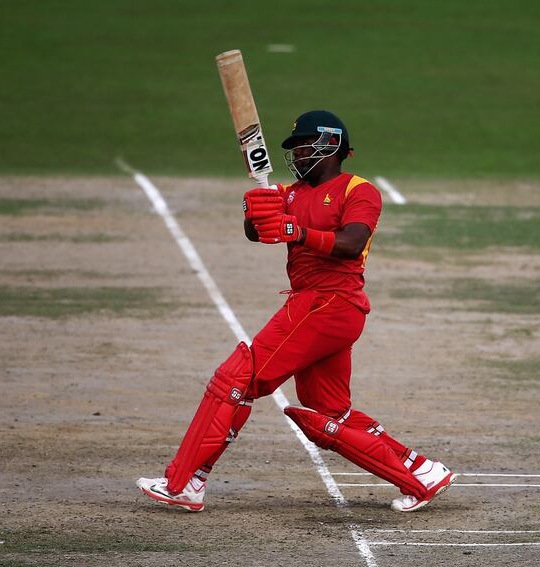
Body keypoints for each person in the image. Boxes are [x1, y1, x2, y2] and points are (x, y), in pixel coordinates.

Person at [136, 110, 456, 513]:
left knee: (238, 377)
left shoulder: (359, 190)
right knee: (328, 413)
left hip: (327, 303)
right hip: (318, 305)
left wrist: (298, 232)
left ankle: (186, 481)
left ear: (330, 144)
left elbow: (352, 242)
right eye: (296, 147)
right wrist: (256, 213)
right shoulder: (290, 193)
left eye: (305, 145)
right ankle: (420, 472)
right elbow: (262, 232)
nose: (299, 153)